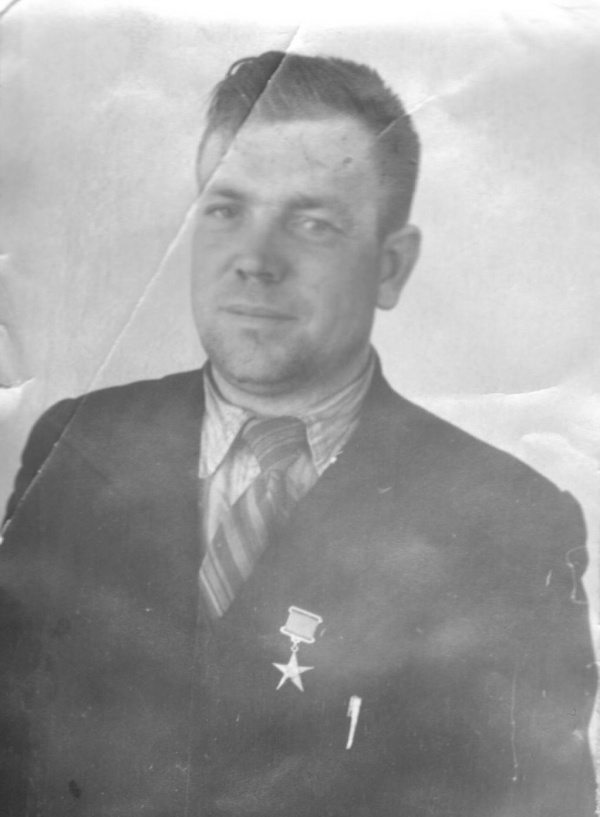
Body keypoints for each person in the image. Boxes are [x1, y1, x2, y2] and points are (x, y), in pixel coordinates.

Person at [0, 51, 596, 817]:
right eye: (225, 210)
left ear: (390, 266)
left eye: (312, 222)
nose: (254, 261)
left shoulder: (509, 525)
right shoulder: (77, 446)